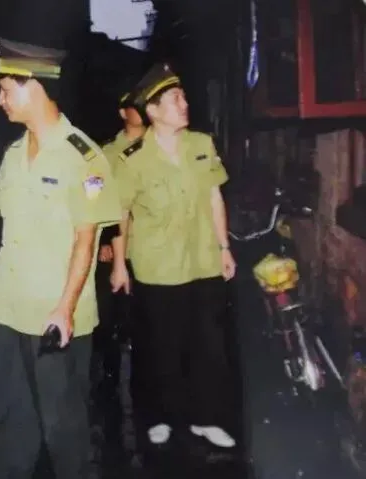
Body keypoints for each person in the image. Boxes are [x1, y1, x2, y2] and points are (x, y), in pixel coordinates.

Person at [0, 36, 122, 478]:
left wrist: (64, 308)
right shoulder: (12, 155)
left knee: (66, 431)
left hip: (54, 316)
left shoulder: (84, 157)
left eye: (6, 89)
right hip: (8, 309)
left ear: (34, 86)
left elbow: (86, 238)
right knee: (8, 427)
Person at [110, 63, 238, 450]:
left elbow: (215, 197)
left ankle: (206, 420)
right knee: (161, 347)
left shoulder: (202, 145)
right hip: (158, 267)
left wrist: (224, 247)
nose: (185, 104)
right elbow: (121, 214)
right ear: (153, 110)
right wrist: (119, 264)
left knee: (209, 347)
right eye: (175, 99)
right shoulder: (132, 158)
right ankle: (161, 417)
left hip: (204, 261)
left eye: (183, 96)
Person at [93, 85, 146, 398]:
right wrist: (103, 240)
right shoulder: (107, 153)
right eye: (135, 105)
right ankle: (110, 385)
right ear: (123, 112)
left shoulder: (160, 145)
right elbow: (97, 199)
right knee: (111, 319)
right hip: (119, 249)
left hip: (154, 247)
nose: (142, 110)